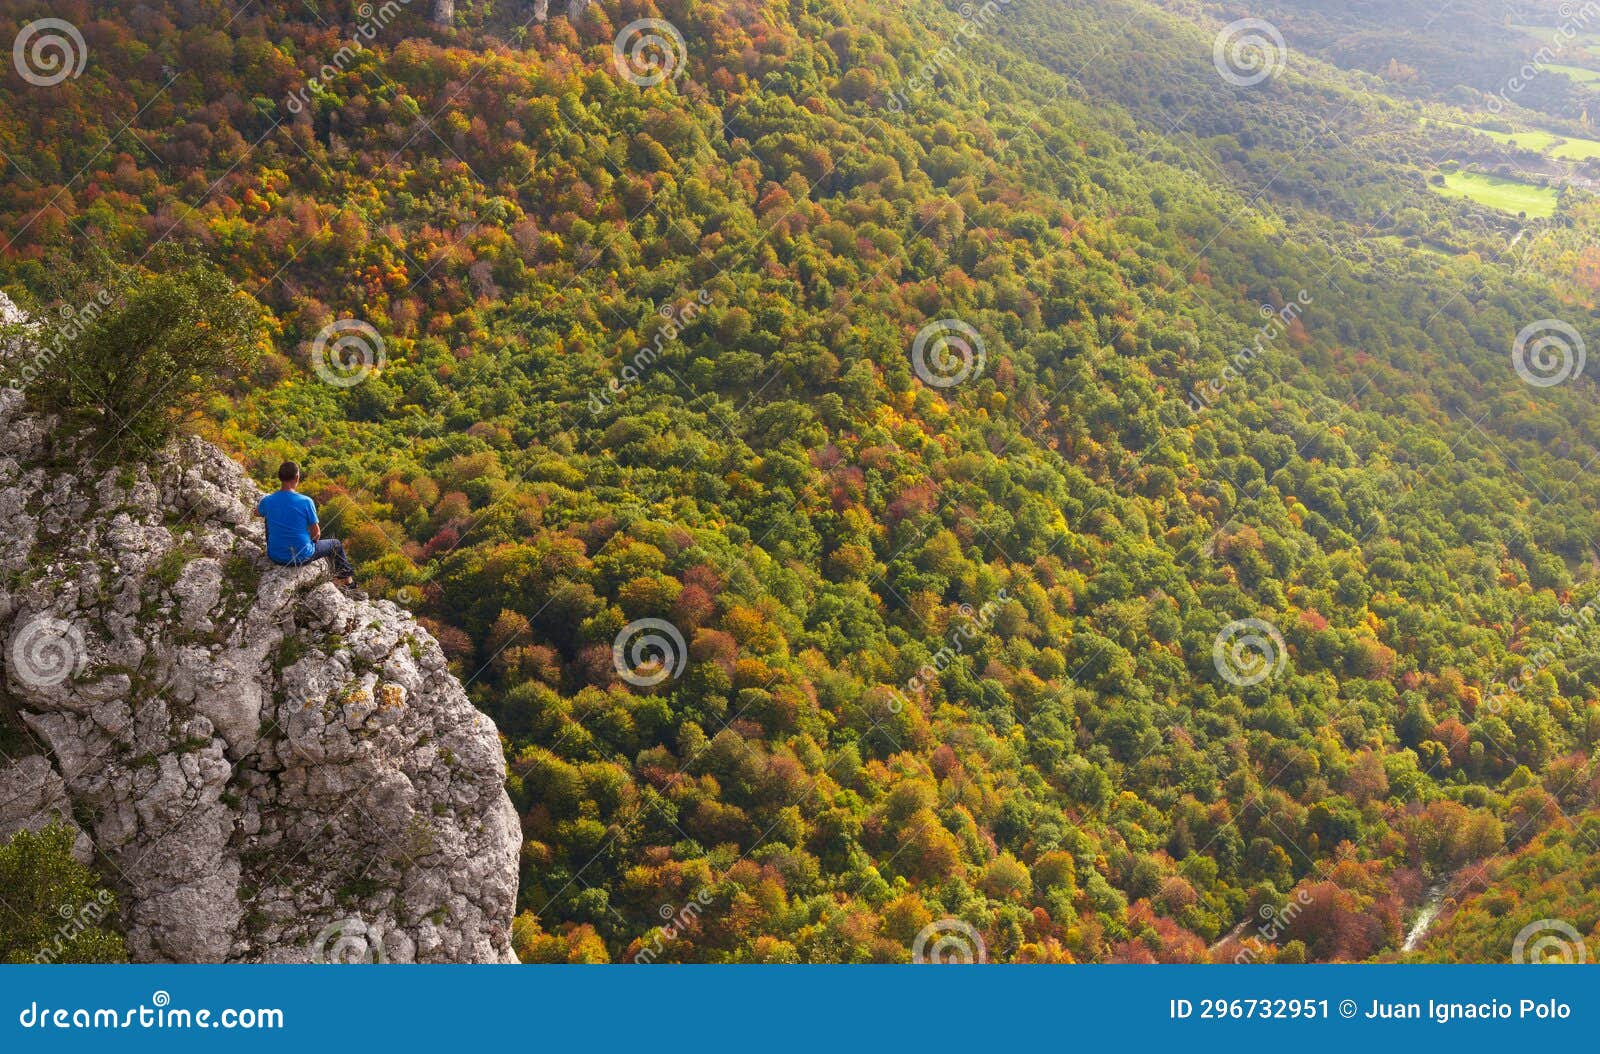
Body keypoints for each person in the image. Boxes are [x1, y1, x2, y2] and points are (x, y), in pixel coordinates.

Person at [256, 461, 355, 587]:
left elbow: (257, 512)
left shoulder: (267, 500)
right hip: (302, 557)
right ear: (297, 477)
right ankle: (346, 581)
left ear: (280, 477)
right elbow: (316, 534)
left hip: (275, 556)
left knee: (267, 517)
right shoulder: (306, 502)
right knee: (336, 544)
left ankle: (279, 545)